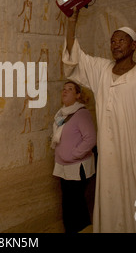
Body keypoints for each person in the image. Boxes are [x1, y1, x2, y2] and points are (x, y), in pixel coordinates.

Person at [62, 8, 136, 233]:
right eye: (113, 41)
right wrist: (71, 24)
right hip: (110, 160)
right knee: (111, 202)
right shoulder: (102, 71)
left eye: (121, 41)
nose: (115, 45)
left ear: (133, 45)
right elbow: (75, 58)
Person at [51, 80, 97, 233]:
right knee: (67, 205)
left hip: (78, 167)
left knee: (77, 205)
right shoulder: (61, 113)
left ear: (78, 95)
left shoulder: (81, 113)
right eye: (64, 89)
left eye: (70, 89)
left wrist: (74, 154)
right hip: (64, 167)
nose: (65, 92)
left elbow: (90, 138)